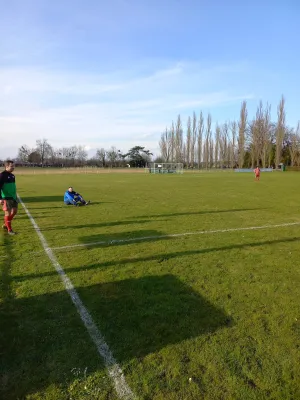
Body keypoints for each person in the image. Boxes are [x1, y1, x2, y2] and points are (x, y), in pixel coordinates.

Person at [0, 160, 18, 235]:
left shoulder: (12, 175)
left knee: (14, 212)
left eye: (13, 166)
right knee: (7, 213)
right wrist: (0, 198)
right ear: (6, 166)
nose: (13, 167)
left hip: (13, 197)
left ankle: (6, 224)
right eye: (11, 166)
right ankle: (9, 230)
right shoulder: (2, 175)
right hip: (6, 197)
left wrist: (15, 195)